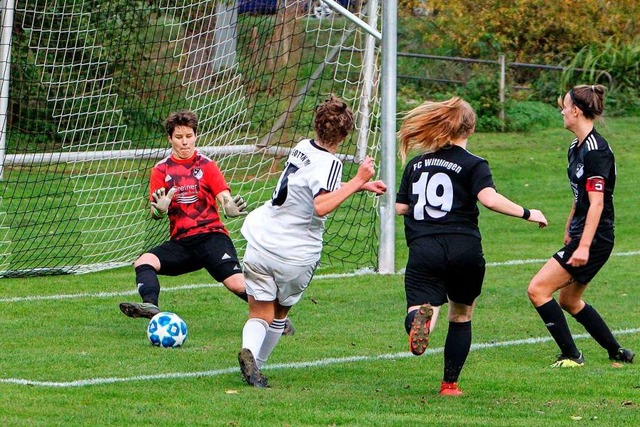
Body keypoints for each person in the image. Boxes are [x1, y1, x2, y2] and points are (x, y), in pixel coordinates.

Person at [395, 97, 548, 396]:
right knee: (461, 314)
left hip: (425, 247)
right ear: (471, 129)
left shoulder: (417, 163)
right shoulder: (474, 163)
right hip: (465, 248)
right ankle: (449, 385)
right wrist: (529, 213)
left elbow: (402, 208)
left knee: (423, 306)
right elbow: (489, 199)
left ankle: (420, 320)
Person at [237, 95, 387, 387]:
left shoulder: (302, 147)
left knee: (259, 312)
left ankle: (250, 357)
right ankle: (257, 368)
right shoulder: (331, 163)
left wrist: (361, 186)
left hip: (260, 238)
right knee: (278, 312)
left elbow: (310, 185)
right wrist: (359, 180)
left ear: (317, 124)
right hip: (293, 252)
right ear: (344, 135)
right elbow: (321, 204)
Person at [527, 85, 634, 367]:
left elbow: (597, 203)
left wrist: (584, 245)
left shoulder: (597, 152)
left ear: (576, 110)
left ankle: (572, 355)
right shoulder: (576, 148)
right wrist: (569, 228)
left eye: (564, 106)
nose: (562, 111)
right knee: (570, 301)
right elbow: (581, 195)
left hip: (595, 238)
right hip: (583, 233)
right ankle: (617, 352)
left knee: (537, 289)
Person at [118, 110, 255, 325]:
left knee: (237, 283)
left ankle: (275, 316)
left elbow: (223, 196)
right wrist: (160, 209)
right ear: (170, 138)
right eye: (179, 137)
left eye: (189, 136)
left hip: (212, 238)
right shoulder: (161, 170)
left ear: (195, 136)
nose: (184, 142)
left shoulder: (207, 165)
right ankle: (151, 306)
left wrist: (228, 206)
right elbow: (155, 213)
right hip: (182, 243)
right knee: (144, 262)